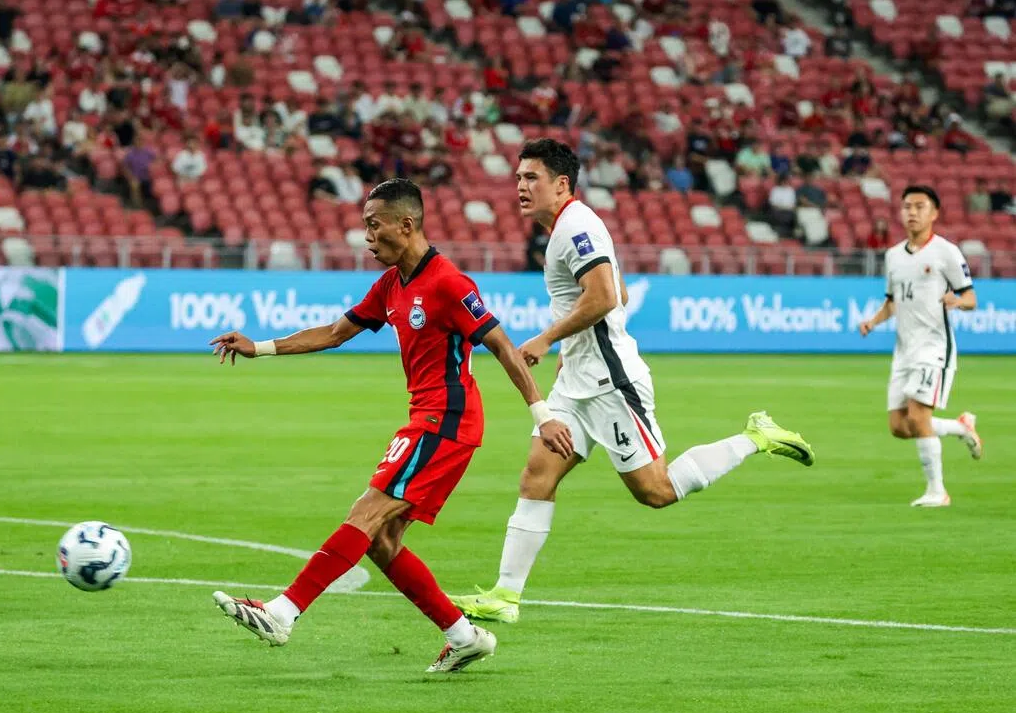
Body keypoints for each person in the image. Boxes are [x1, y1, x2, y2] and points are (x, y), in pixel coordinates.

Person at [207, 179, 575, 671]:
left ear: (406, 224)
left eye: (373, 225)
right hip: (426, 418)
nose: (367, 236)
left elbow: (503, 346)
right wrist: (262, 347)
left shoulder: (449, 283)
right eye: (364, 226)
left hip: (446, 421)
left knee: (366, 511)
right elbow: (336, 333)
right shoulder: (390, 285)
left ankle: (283, 611)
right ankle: (465, 636)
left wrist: (542, 414)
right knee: (381, 542)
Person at [451, 139, 816, 624]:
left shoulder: (576, 226)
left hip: (611, 384)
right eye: (518, 177)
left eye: (531, 178)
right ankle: (506, 595)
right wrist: (573, 349)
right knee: (537, 474)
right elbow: (618, 289)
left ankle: (756, 436)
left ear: (561, 184)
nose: (519, 186)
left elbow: (603, 297)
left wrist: (546, 340)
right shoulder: (563, 228)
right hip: (577, 382)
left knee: (656, 491)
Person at [859, 185, 982, 508]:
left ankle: (937, 491)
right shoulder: (894, 256)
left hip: (934, 348)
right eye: (907, 207)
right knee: (899, 427)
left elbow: (971, 297)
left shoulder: (946, 252)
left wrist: (958, 301)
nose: (912, 212)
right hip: (904, 350)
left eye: (919, 206)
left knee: (917, 415)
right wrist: (872, 322)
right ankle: (960, 427)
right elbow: (891, 302)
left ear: (934, 213)